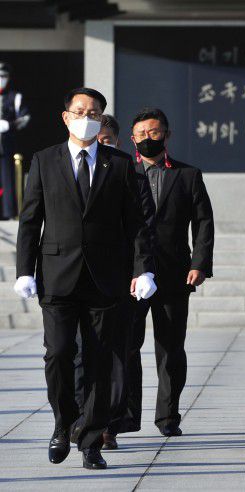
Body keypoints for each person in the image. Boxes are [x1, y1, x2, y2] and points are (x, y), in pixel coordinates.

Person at [13, 87, 156, 470]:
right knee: (58, 353)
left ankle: (91, 440)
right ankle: (64, 423)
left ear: (102, 118)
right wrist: (24, 270)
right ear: (66, 117)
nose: (86, 119)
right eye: (80, 112)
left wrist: (143, 268)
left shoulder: (120, 164)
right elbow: (30, 220)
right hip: (57, 276)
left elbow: (136, 223)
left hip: (105, 278)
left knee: (99, 360)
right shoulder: (45, 160)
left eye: (94, 113)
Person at [122, 107, 215, 438]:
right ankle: (125, 416)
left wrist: (199, 263)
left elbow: (203, 222)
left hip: (175, 272)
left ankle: (168, 416)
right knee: (126, 346)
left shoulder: (188, 175)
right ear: (132, 139)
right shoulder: (123, 174)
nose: (148, 138)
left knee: (171, 348)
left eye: (154, 132)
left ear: (167, 134)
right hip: (131, 275)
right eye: (141, 134)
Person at [73, 112, 157, 450]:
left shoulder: (130, 173)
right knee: (80, 352)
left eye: (106, 140)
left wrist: (141, 270)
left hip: (120, 278)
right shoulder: (72, 170)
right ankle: (82, 417)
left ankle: (109, 423)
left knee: (118, 353)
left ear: (117, 143)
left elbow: (143, 226)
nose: (100, 145)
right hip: (80, 276)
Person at [0, 62, 30, 219]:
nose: (1, 79)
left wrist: (9, 125)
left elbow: (25, 118)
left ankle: (9, 213)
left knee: (8, 179)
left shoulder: (15, 97)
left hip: (7, 146)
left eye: (3, 76)